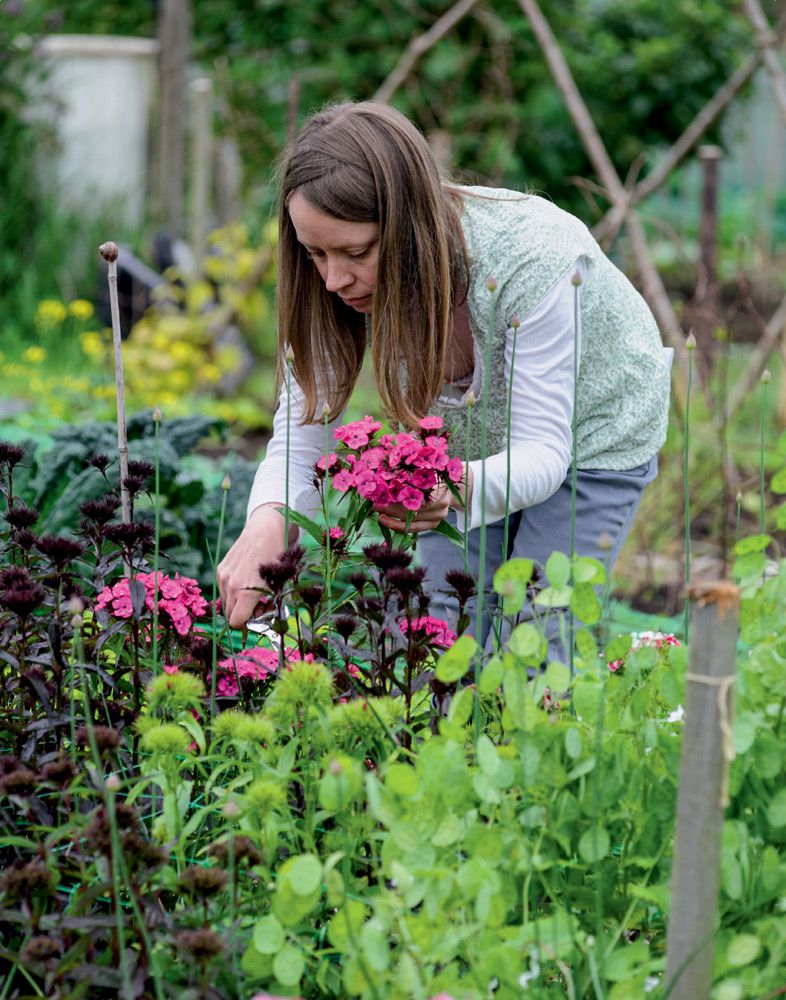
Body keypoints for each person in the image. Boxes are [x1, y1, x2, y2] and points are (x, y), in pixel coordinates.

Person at [217, 100, 670, 643]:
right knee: (438, 634)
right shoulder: (334, 279)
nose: (334, 278)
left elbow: (545, 453)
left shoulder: (532, 260)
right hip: (467, 452)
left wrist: (448, 487)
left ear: (412, 227)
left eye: (355, 252)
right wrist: (268, 521)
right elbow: (304, 427)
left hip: (592, 437)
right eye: (315, 253)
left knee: (537, 633)